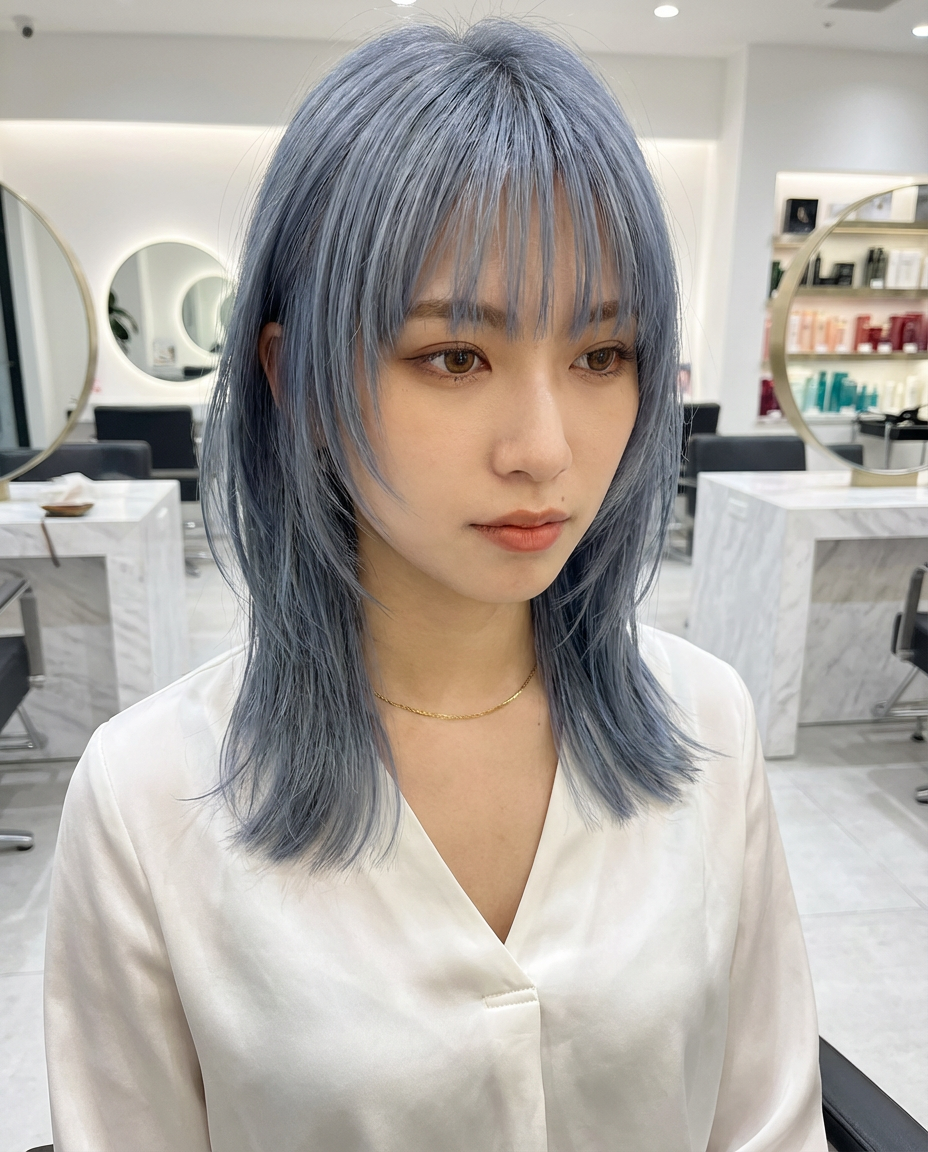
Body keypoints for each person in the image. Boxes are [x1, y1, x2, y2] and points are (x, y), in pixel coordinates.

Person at [44, 19, 826, 1151]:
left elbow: (767, 1123)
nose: (544, 449)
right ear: (294, 378)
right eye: (453, 358)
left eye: (602, 354)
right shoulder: (147, 798)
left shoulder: (707, 724)